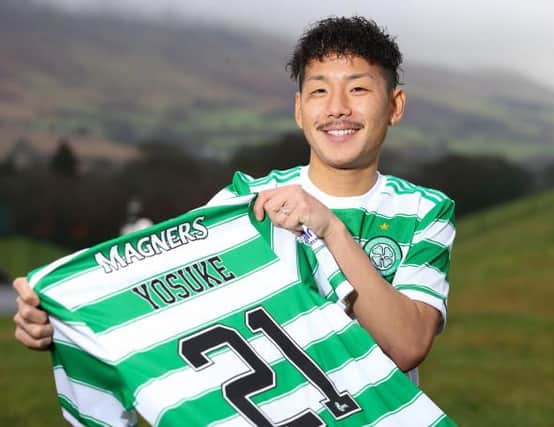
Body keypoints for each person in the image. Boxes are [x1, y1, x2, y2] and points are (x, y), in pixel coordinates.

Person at [13, 16, 455, 382]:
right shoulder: (244, 200)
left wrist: (331, 230)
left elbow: (407, 345)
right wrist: (61, 320)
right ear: (299, 109)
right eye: (320, 90)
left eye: (358, 89)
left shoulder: (423, 211)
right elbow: (160, 293)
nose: (337, 107)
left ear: (394, 106)